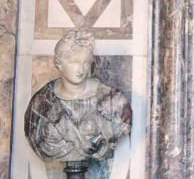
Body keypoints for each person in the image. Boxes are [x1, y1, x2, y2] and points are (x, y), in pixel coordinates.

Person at [24, 30, 132, 162]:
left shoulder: (114, 102)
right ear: (59, 63)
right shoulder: (41, 103)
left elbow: (120, 128)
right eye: (74, 62)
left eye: (86, 63)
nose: (81, 70)